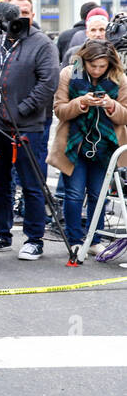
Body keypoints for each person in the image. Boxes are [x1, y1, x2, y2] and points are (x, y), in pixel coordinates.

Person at [0, 0, 60, 260]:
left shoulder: (43, 44)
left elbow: (48, 84)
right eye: (16, 11)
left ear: (33, 15)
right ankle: (1, 234)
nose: (21, 16)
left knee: (32, 184)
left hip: (27, 126)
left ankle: (35, 239)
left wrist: (21, 111)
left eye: (26, 11)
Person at [48, 40, 127, 255]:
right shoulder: (68, 74)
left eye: (102, 66)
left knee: (97, 194)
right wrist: (81, 103)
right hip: (74, 143)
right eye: (93, 66)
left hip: (106, 145)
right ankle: (74, 239)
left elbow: (125, 114)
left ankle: (94, 240)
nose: (97, 70)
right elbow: (59, 110)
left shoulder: (120, 78)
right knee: (73, 193)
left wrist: (111, 105)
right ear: (84, 61)